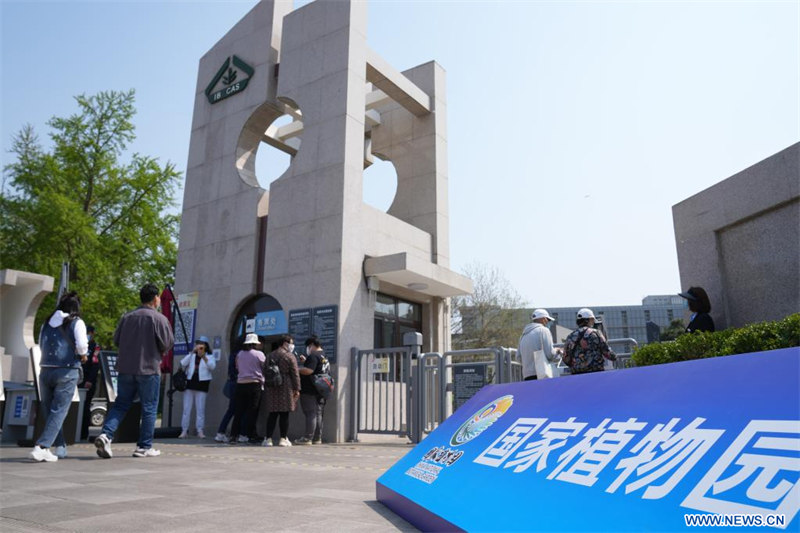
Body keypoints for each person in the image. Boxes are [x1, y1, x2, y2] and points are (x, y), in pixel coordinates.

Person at [94, 283, 174, 459]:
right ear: (155, 299)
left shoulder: (127, 317)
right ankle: (144, 447)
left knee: (121, 404)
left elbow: (116, 340)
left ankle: (106, 435)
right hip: (148, 368)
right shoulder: (159, 319)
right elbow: (167, 343)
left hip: (125, 368)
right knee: (149, 408)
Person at [29, 292, 89, 462]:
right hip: (66, 370)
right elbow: (82, 347)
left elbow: (41, 343)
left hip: (45, 370)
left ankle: (60, 446)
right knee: (59, 411)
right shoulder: (76, 322)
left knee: (50, 412)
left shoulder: (46, 323)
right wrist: (83, 355)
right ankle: (42, 447)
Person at [262, 334, 300, 447]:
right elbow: (295, 374)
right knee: (284, 413)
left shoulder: (269, 355)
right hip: (286, 386)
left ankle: (268, 439)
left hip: (272, 386)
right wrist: (297, 388)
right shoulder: (289, 356)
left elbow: (264, 370)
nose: (292, 345)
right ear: (285, 343)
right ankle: (283, 439)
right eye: (291, 343)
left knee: (272, 413)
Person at [229, 333, 266, 445]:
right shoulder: (259, 354)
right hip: (254, 384)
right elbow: (265, 367)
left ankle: (233, 435)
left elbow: (237, 367)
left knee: (239, 411)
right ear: (255, 343)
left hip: (240, 384)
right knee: (252, 411)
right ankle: (250, 435)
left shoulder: (239, 354)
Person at [179, 336, 216, 439]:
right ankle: (184, 430)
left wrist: (204, 357)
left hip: (202, 384)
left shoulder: (210, 356)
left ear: (206, 346)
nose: (199, 346)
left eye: (202, 344)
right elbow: (183, 363)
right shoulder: (192, 355)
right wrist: (192, 352)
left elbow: (212, 367)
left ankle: (200, 430)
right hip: (190, 383)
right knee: (186, 409)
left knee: (200, 409)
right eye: (198, 343)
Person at [562, 308, 616, 375]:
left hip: (577, 374)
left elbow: (565, 358)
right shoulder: (596, 333)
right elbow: (607, 352)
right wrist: (615, 357)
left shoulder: (571, 336)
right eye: (592, 319)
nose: (593, 321)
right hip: (595, 373)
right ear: (588, 320)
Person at [294, 336, 326, 445]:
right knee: (318, 414)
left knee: (310, 413)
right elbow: (317, 368)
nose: (308, 348)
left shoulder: (313, 356)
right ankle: (317, 438)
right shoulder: (323, 355)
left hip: (310, 389)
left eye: (308, 346)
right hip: (321, 389)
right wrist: (306, 361)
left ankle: (308, 438)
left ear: (312, 345)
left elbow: (309, 371)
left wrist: (297, 369)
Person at [517, 309, 561, 381]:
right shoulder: (543, 330)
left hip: (527, 375)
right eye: (548, 320)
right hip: (542, 374)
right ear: (543, 319)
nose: (548, 322)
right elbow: (550, 354)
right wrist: (557, 351)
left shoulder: (523, 335)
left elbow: (518, 357)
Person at [79, 325, 101, 440]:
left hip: (87, 381)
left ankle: (83, 433)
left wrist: (90, 380)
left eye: (88, 333)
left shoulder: (95, 347)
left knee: (85, 407)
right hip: (76, 379)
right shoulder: (79, 345)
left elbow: (95, 365)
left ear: (92, 334)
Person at [214, 349, 240, 442]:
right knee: (235, 410)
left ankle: (221, 432)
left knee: (231, 410)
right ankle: (232, 433)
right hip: (238, 384)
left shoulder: (233, 354)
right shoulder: (240, 354)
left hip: (233, 383)